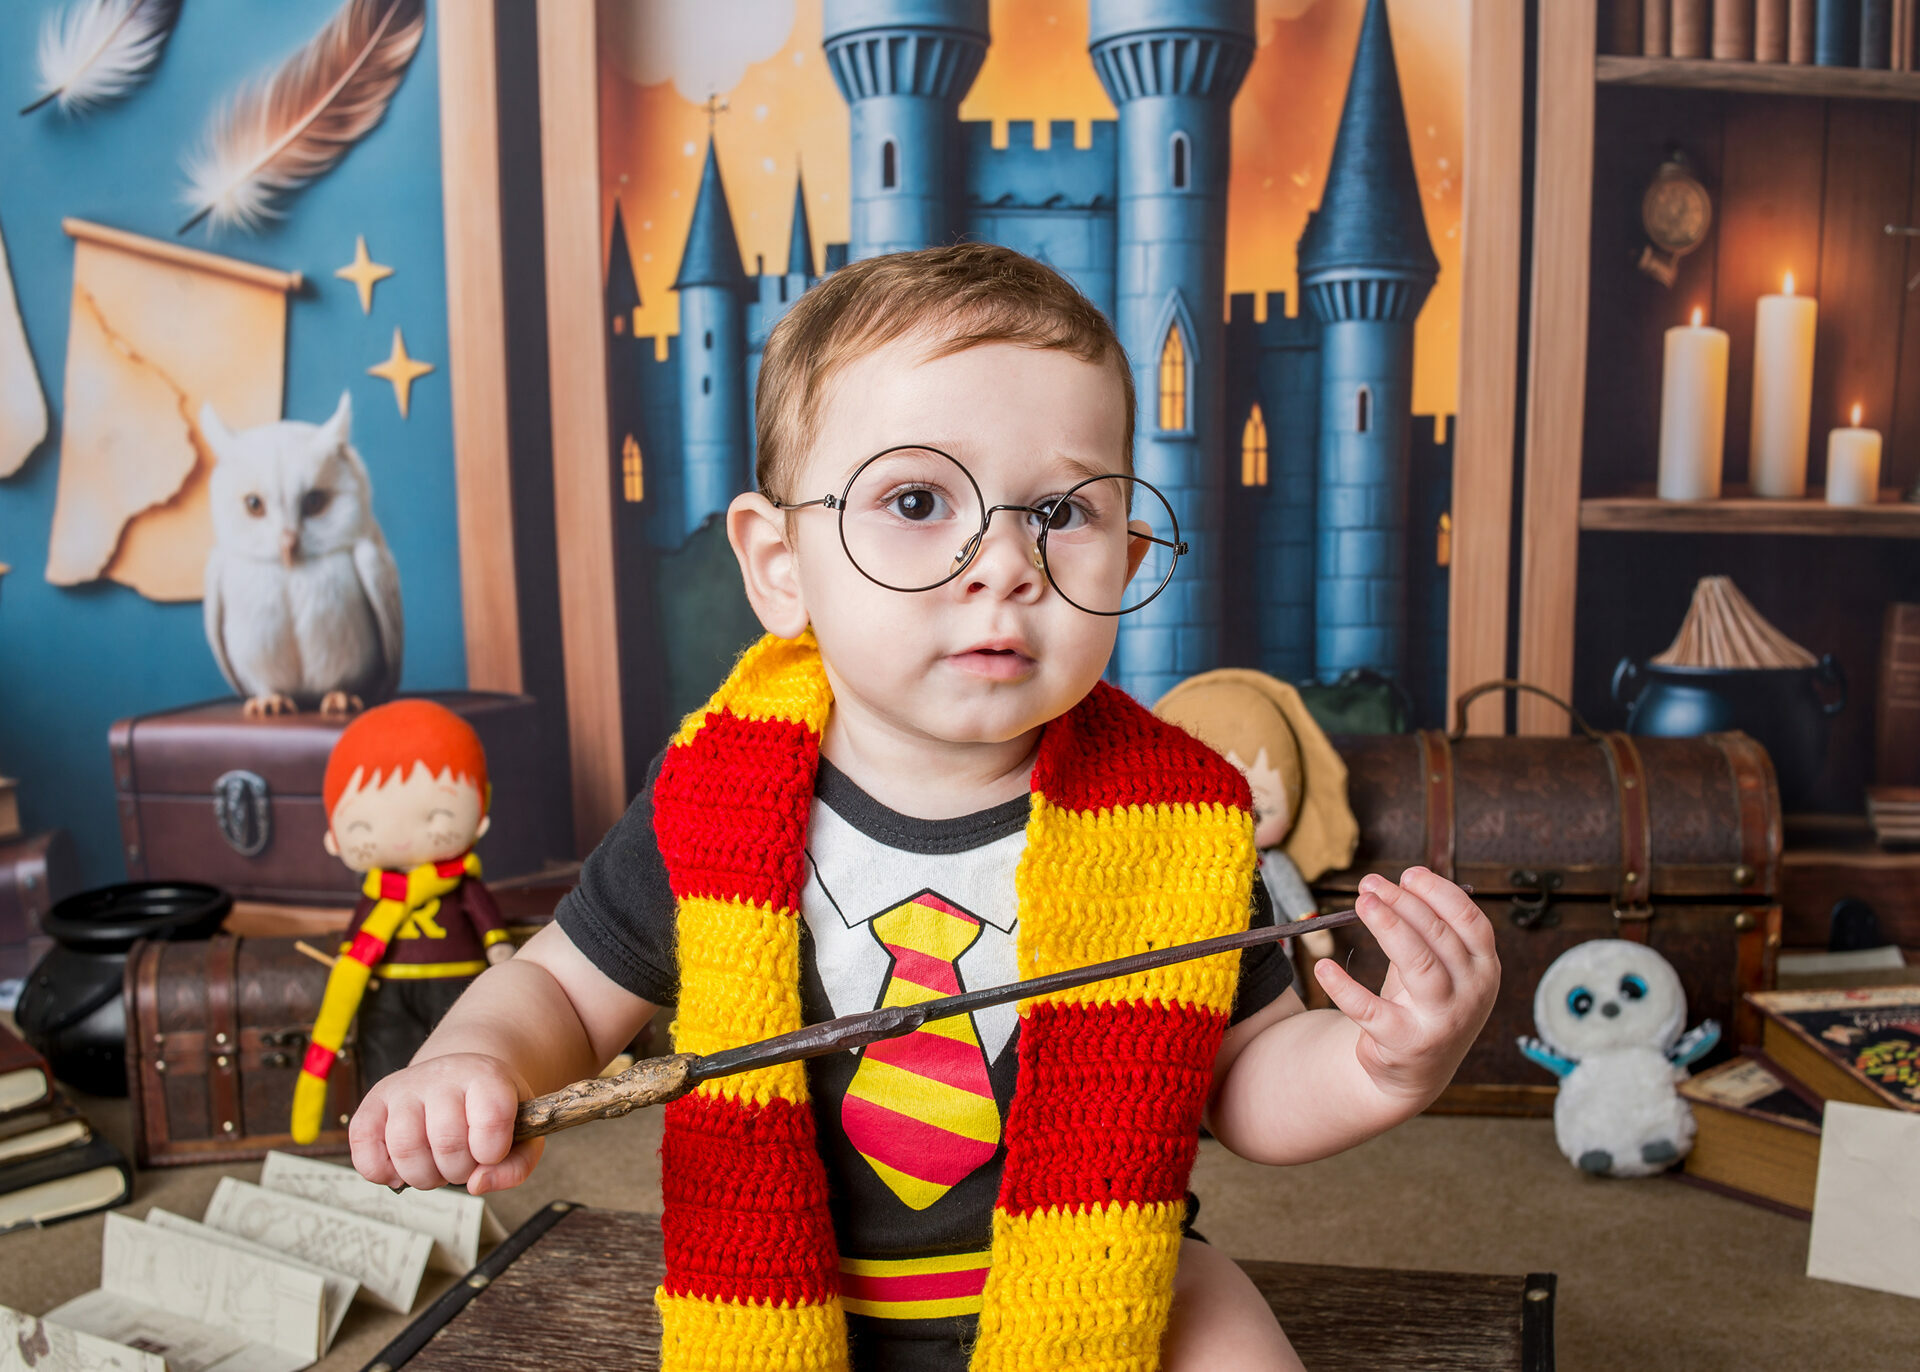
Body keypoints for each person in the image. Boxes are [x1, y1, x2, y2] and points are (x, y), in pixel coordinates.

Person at [347, 243, 1500, 1372]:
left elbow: (1242, 1078)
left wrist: (1377, 1064)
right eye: (916, 499)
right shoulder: (715, 795)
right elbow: (560, 989)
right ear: (781, 565)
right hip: (786, 1288)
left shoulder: (1177, 822)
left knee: (1231, 1338)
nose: (1005, 562)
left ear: (1129, 550)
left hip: (1107, 1279)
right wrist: (474, 1060)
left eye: (1062, 512)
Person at [291, 700, 514, 1144]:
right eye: (366, 825)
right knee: (388, 1057)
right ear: (335, 836)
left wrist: (499, 948)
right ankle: (394, 1137)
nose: (402, 836)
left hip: (458, 984)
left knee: (461, 1056)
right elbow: (357, 940)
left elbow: (485, 918)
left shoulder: (460, 883)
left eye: (436, 815)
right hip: (387, 989)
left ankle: (464, 1136)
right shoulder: (377, 894)